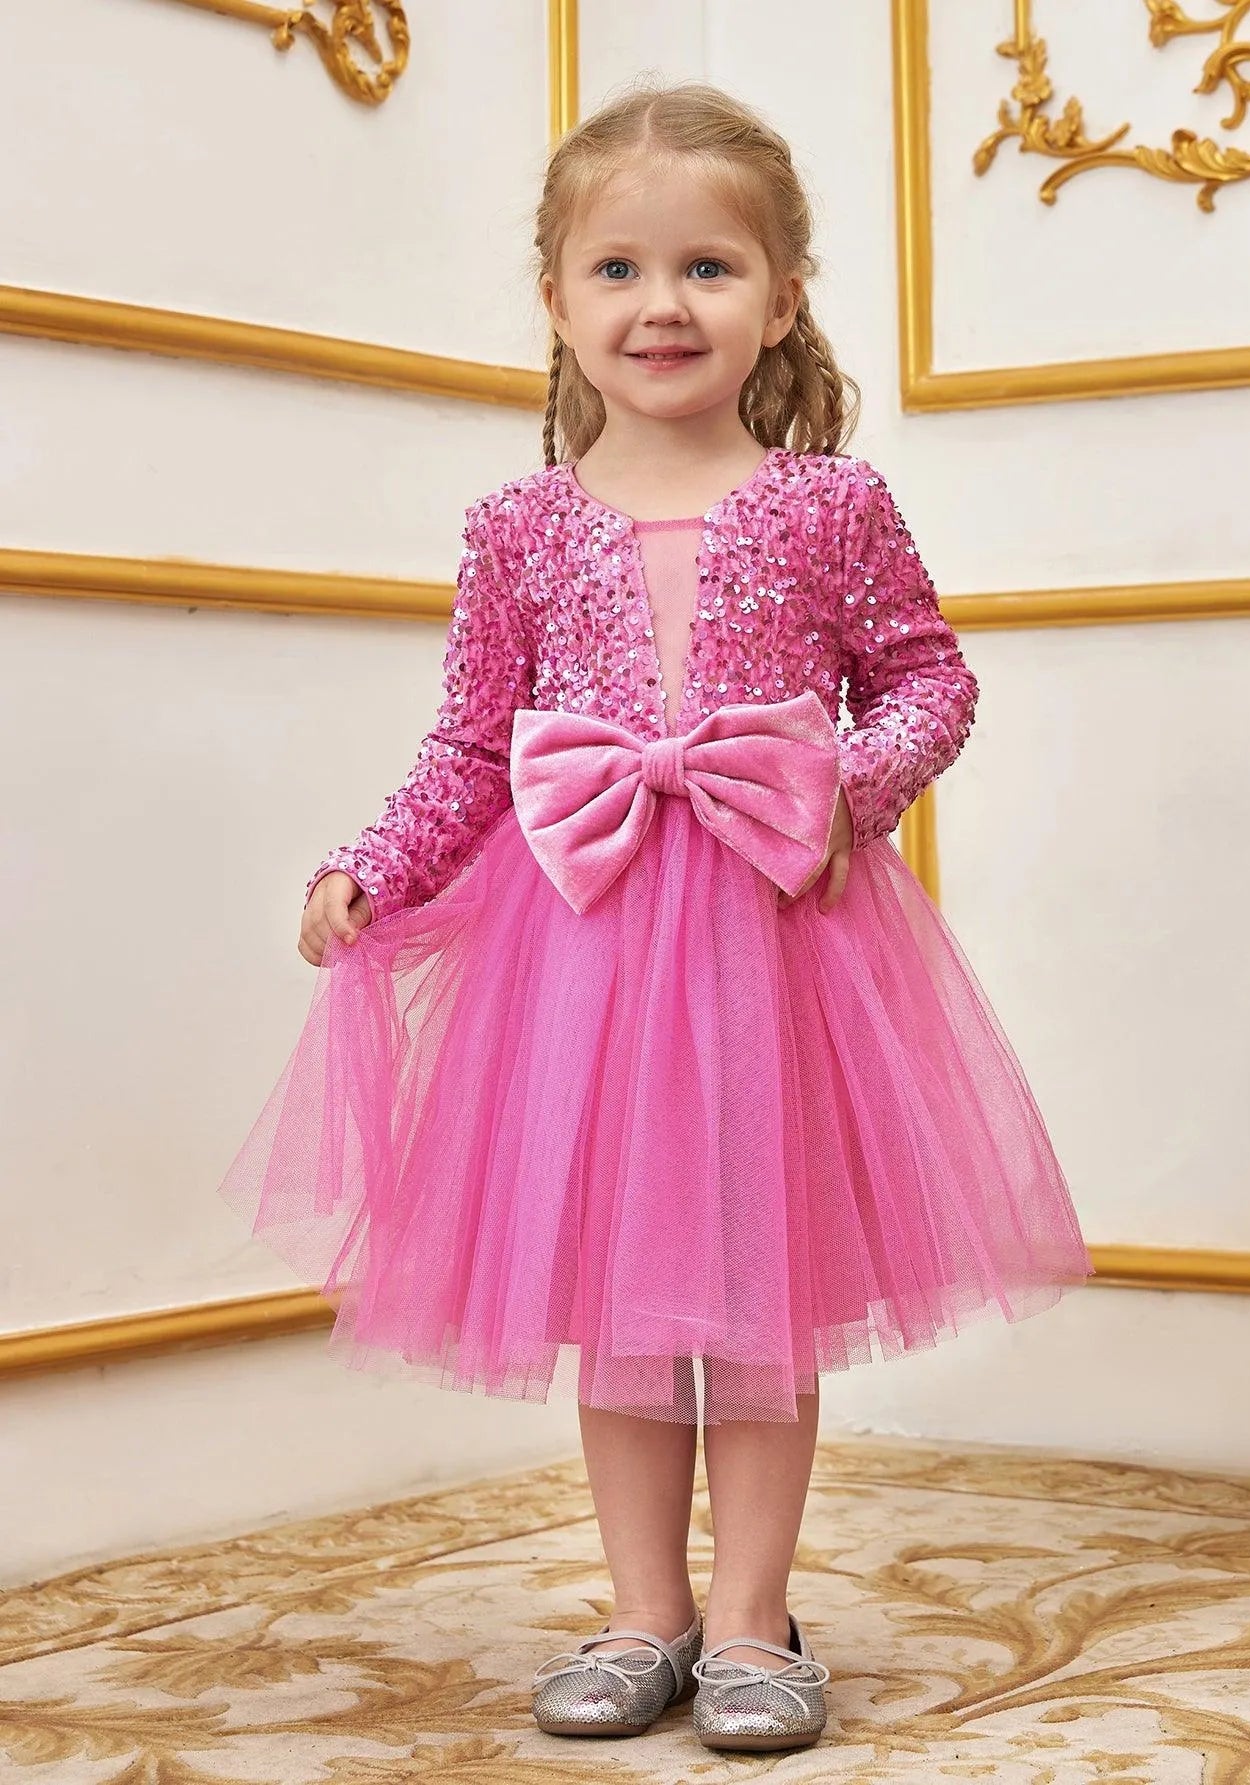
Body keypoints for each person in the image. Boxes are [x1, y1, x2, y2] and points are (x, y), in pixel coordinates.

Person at [216, 78, 1094, 1756]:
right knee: (620, 1304)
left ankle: (755, 1617)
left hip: (780, 944)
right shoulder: (519, 528)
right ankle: (646, 1610)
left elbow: (930, 680)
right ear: (556, 301)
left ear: (782, 298)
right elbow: (474, 747)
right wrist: (377, 867)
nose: (661, 304)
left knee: (757, 1298)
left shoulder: (831, 505)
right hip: (588, 958)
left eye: (707, 267)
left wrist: (843, 789)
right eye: (617, 270)